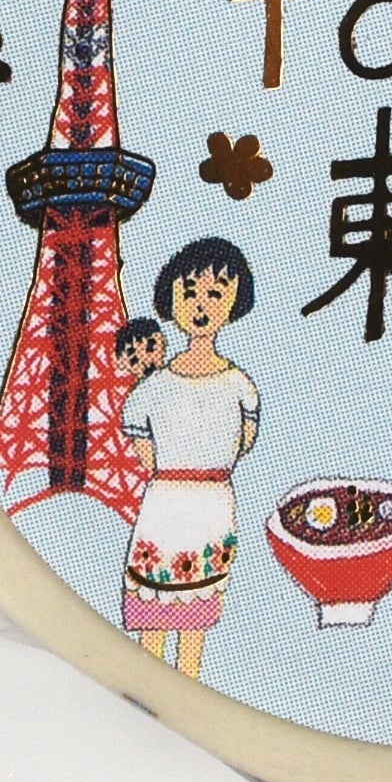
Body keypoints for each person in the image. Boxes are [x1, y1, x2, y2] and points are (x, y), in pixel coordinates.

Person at [117, 239, 257, 678]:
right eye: (190, 292)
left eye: (215, 293)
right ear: (170, 299)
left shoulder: (238, 385)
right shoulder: (153, 388)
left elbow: (242, 440)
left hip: (204, 500)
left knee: (196, 611)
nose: (201, 305)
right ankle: (154, 683)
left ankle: (185, 686)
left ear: (235, 302)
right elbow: (244, 441)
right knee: (155, 606)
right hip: (174, 499)